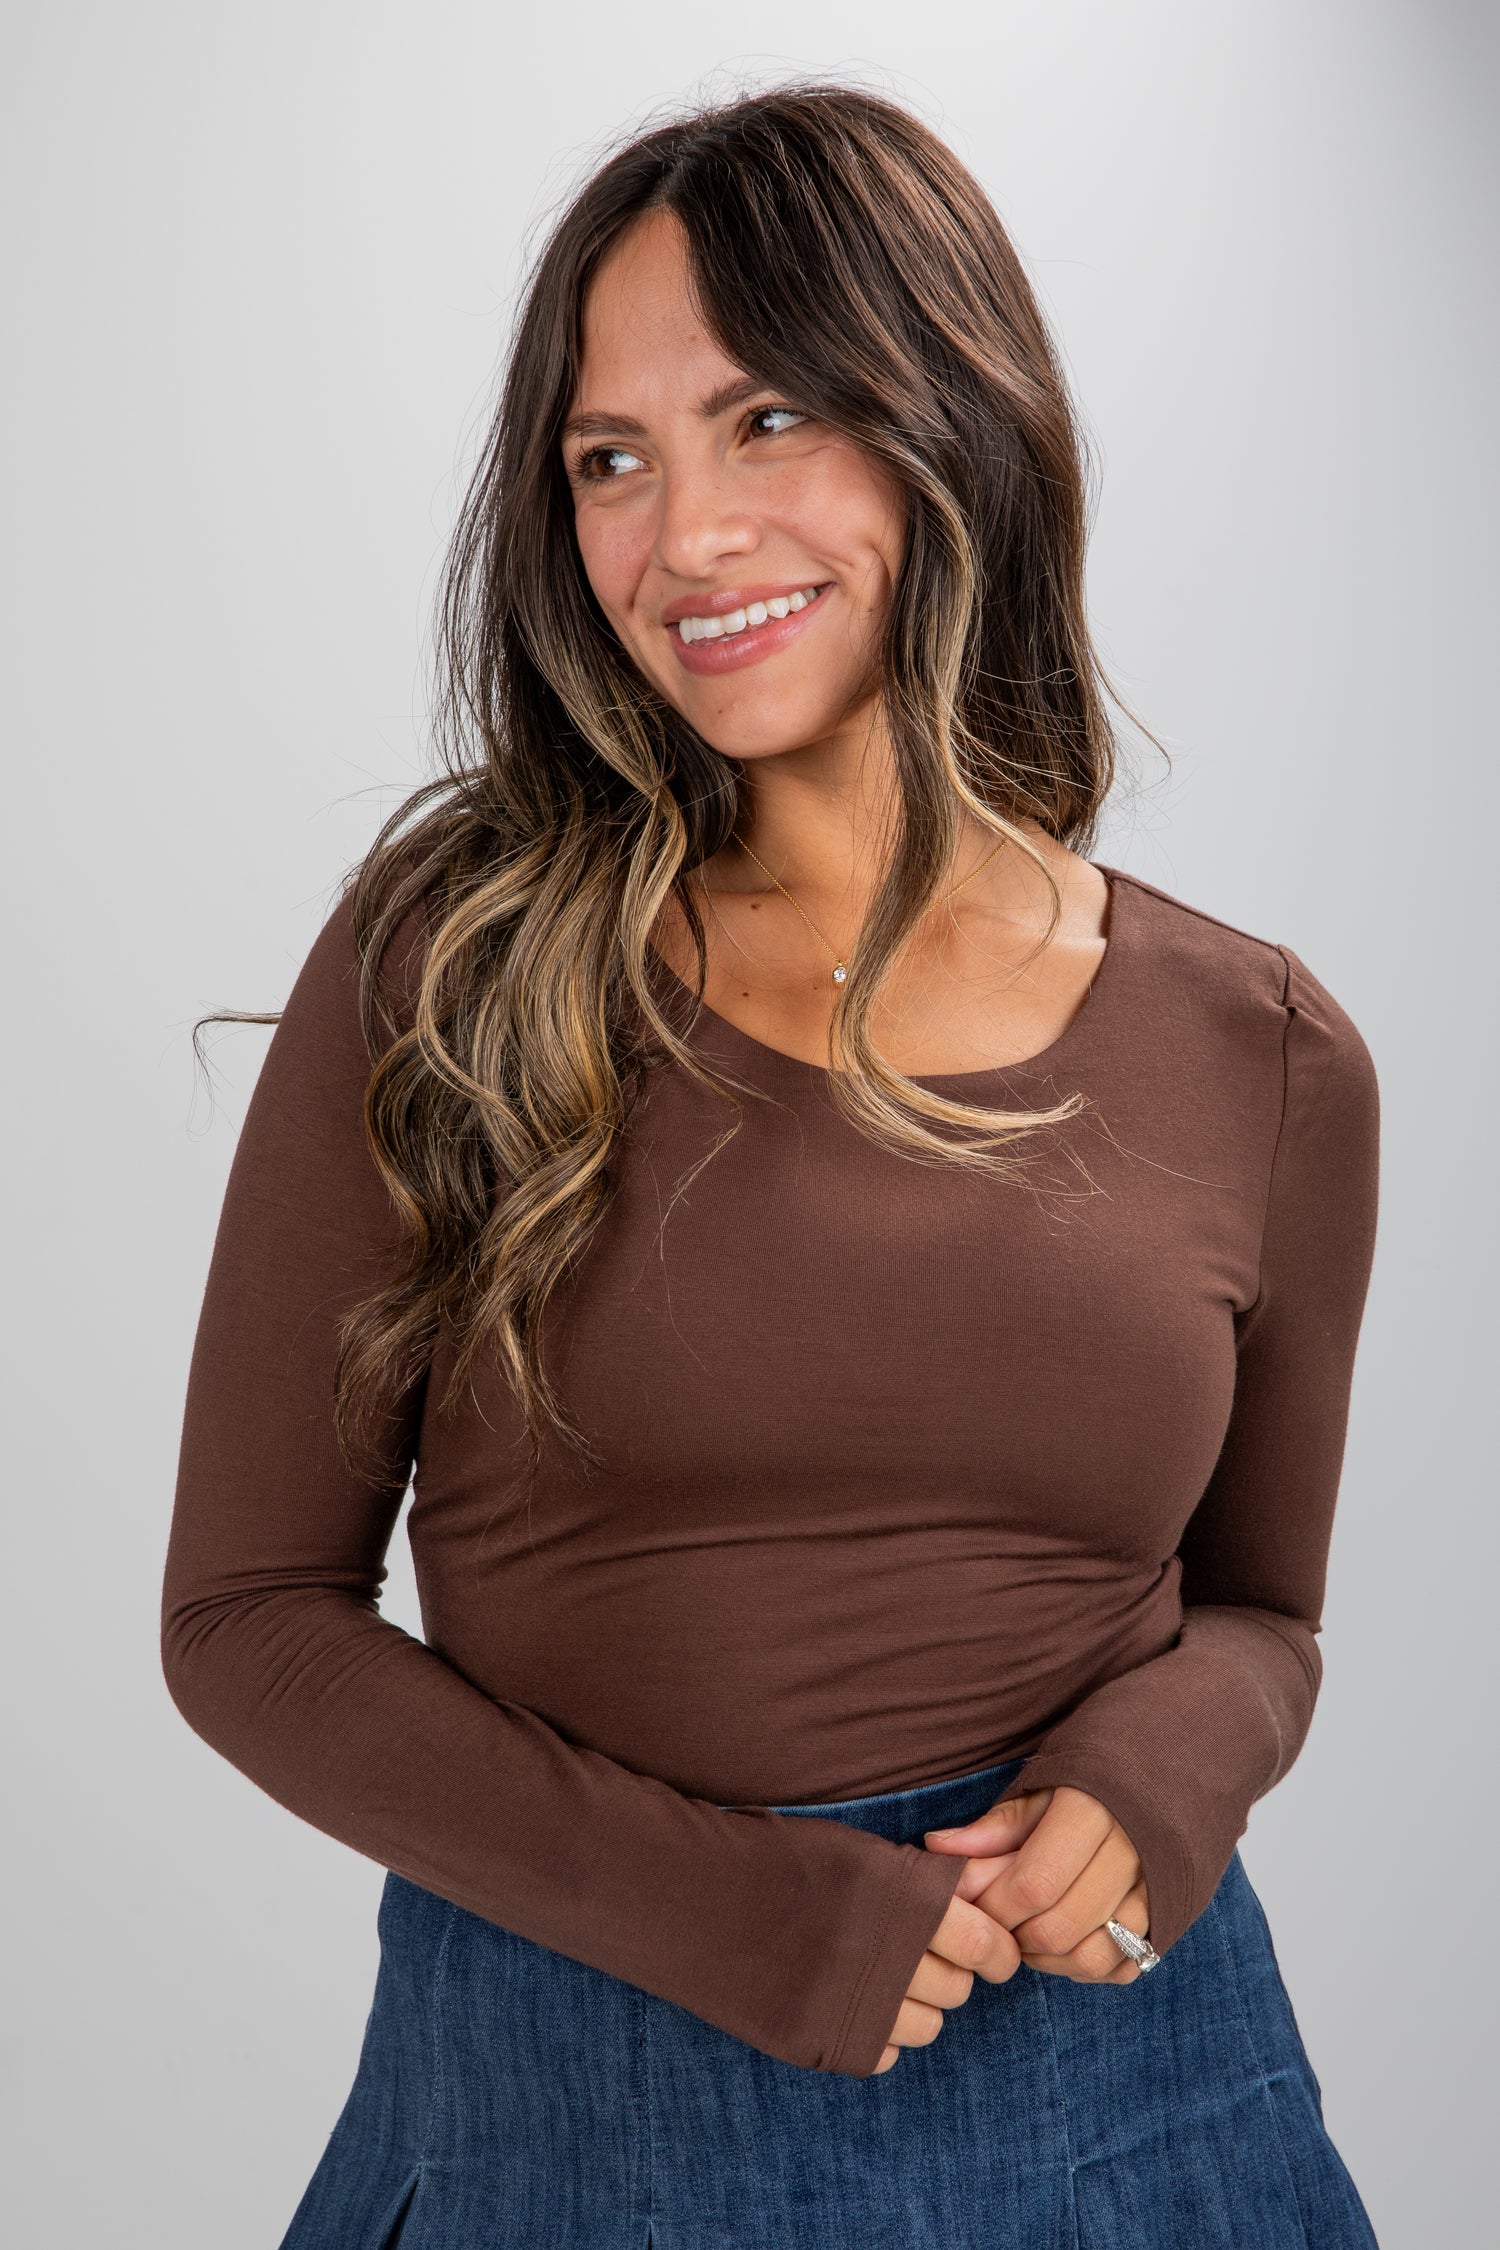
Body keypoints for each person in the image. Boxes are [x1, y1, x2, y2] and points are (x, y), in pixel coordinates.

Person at [162, 84, 1382, 2248]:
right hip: (568, 2100)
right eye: (608, 460)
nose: (680, 539)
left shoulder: (1263, 1054)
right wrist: (724, 1913)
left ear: (954, 420)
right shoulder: (457, 958)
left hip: (1145, 2111)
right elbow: (248, 1621)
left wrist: (1165, 1775)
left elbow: (1264, 1614)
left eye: (763, 423)